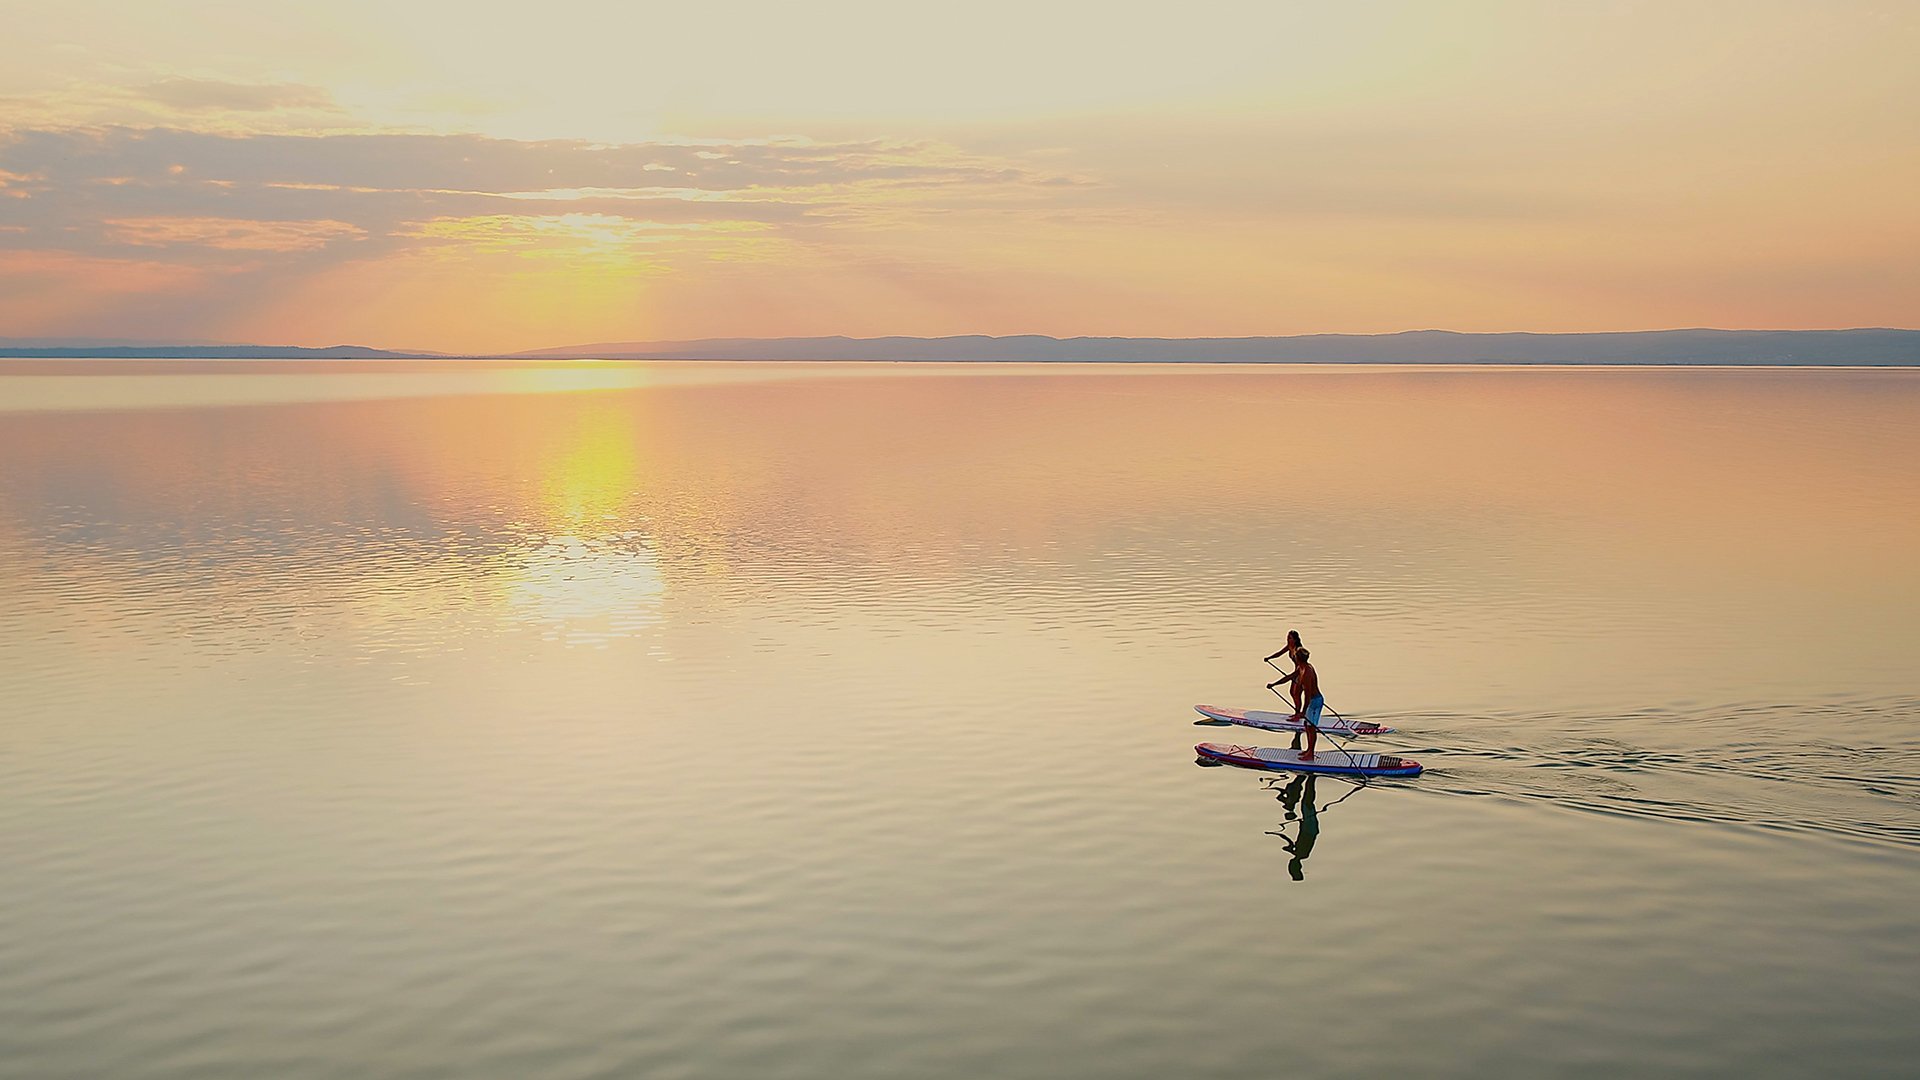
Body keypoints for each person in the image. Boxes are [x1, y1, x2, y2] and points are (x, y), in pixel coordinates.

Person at [1263, 630, 1306, 717]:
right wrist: (1269, 658)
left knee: (1297, 694)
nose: (1287, 639)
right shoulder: (1290, 646)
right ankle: (1297, 712)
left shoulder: (1298, 649)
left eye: (1289, 638)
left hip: (1300, 673)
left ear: (1295, 639)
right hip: (1296, 672)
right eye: (1287, 637)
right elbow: (1279, 653)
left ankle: (1299, 714)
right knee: (1292, 692)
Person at [1292, 648, 1324, 759]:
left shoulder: (1307, 672)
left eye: (1295, 655)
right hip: (1312, 701)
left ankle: (1310, 753)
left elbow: (1307, 695)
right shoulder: (1302, 667)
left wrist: (1303, 712)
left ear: (1298, 658)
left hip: (1314, 702)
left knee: (1311, 728)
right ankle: (1308, 750)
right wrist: (1274, 684)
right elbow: (1290, 676)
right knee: (1306, 725)